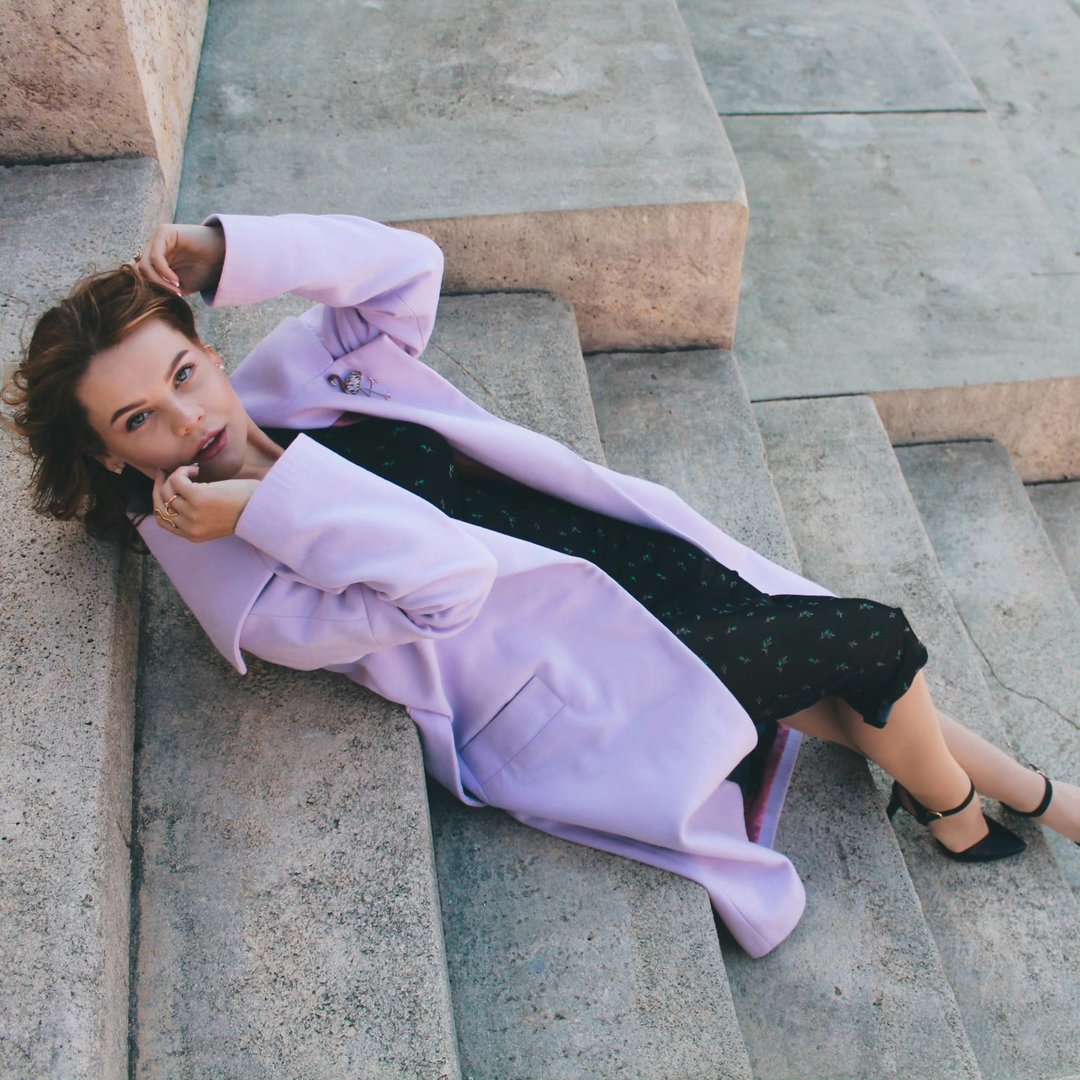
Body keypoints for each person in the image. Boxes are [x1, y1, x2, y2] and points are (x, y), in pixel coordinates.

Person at [5, 212, 1077, 957]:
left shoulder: (295, 374)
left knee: (822, 651)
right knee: (870, 639)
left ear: (208, 350)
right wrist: (262, 507)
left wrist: (229, 250)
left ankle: (1015, 794)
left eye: (184, 372)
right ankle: (961, 807)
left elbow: (406, 266)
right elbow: (450, 580)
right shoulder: (241, 587)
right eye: (140, 419)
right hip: (572, 676)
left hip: (598, 558)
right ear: (109, 453)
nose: (189, 418)